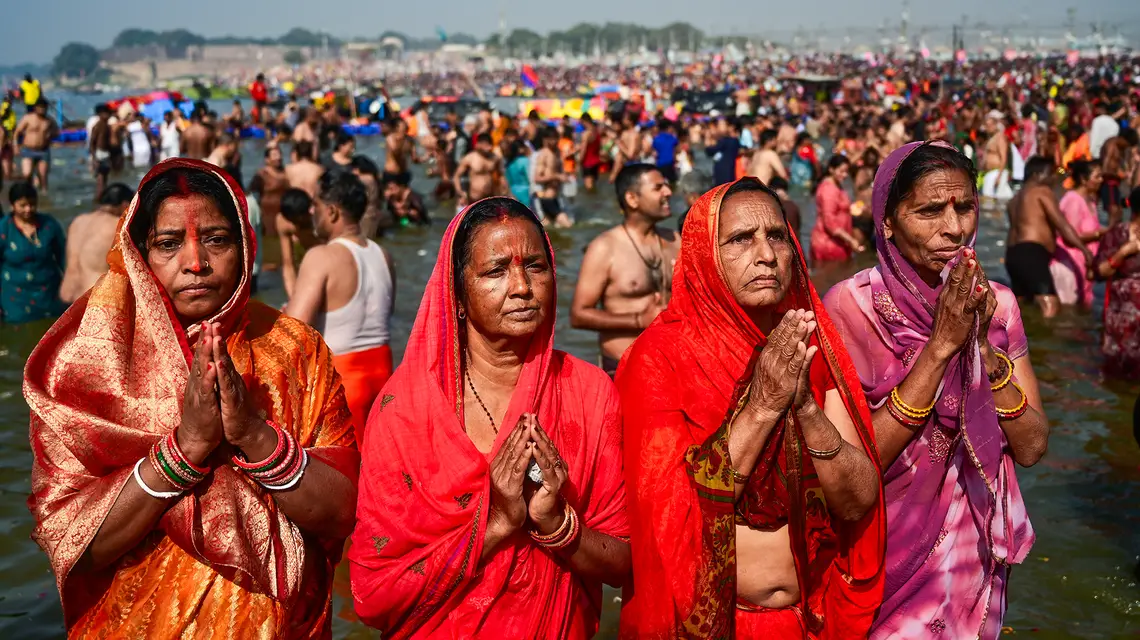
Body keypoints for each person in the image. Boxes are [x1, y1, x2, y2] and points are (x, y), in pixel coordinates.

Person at [25, 159, 359, 637]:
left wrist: (255, 436)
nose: (195, 262)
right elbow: (73, 546)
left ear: (244, 247)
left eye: (217, 240)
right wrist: (184, 451)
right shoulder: (85, 363)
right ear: (139, 253)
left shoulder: (295, 348)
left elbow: (343, 512)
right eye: (168, 243)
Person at [348, 197, 630, 637]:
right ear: (457, 296)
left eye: (535, 266)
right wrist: (496, 524)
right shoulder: (404, 408)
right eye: (496, 271)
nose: (521, 286)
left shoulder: (590, 392)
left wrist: (555, 523)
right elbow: (372, 591)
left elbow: (624, 560)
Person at [618, 177, 885, 638]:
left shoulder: (809, 341)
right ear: (705, 255)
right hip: (718, 624)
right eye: (742, 239)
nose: (766, 254)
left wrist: (805, 408)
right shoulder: (659, 356)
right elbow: (671, 516)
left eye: (777, 236)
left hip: (812, 619)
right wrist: (763, 405)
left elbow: (859, 500)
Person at [825, 140, 1046, 638]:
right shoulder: (851, 308)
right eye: (929, 211)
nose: (954, 228)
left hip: (971, 552)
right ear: (887, 221)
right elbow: (857, 465)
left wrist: (986, 355)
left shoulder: (998, 305)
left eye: (964, 207)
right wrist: (943, 344)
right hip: (884, 542)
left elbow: (1031, 447)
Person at [287, 171, 395, 434]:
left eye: (317, 206)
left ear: (333, 212)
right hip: (385, 378)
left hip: (343, 383)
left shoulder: (321, 256)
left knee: (340, 470)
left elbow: (292, 332)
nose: (312, 211)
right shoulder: (383, 255)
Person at [571, 164, 678, 378]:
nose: (668, 192)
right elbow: (578, 315)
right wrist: (639, 320)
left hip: (672, 364)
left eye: (666, 185)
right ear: (632, 199)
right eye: (658, 188)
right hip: (622, 367)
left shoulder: (676, 240)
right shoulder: (605, 247)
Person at [1005, 156, 1094, 318]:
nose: (1055, 179)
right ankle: (1045, 343)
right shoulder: (1042, 192)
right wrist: (1084, 250)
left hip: (1012, 254)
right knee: (1050, 306)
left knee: (1023, 305)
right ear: (1037, 175)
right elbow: (1063, 226)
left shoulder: (1013, 200)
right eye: (1051, 173)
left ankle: (1020, 340)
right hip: (1032, 253)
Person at [1, 182, 66, 323]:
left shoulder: (49, 225)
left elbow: (64, 257)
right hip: (16, 300)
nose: (28, 209)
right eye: (22, 205)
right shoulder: (3, 229)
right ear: (12, 205)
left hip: (49, 294)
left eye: (32, 204)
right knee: (19, 340)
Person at [60, 183, 134, 304]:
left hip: (68, 296)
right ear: (126, 205)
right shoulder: (118, 225)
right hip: (94, 299)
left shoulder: (78, 221)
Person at [1094, 186, 1140, 379]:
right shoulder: (1117, 235)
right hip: (1122, 317)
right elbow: (1100, 272)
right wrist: (1124, 253)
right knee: (1118, 373)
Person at [1050, 160, 1105, 307]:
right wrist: (1100, 233)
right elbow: (1070, 236)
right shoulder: (1073, 200)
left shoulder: (1091, 202)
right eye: (1097, 176)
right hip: (1069, 265)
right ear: (1083, 179)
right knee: (1068, 314)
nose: (1101, 180)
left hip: (1084, 265)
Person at [811, 155, 864, 264]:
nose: (844, 175)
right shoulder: (829, 190)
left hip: (838, 241)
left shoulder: (836, 185)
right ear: (831, 169)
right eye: (841, 171)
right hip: (829, 244)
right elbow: (830, 223)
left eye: (846, 172)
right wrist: (851, 240)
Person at [277, 188, 320, 298]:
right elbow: (288, 264)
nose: (296, 225)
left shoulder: (320, 221)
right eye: (293, 221)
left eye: (300, 220)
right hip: (304, 259)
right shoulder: (283, 221)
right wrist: (293, 298)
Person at [13, 99, 57, 193]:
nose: (42, 110)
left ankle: (44, 195)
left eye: (44, 108)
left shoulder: (49, 120)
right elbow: (17, 132)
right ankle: (28, 191)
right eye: (40, 108)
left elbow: (56, 132)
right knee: (27, 173)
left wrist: (50, 135)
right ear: (36, 108)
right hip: (28, 150)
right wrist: (16, 146)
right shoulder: (28, 118)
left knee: (43, 175)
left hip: (43, 151)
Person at [247, 146, 291, 239]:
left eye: (279, 154)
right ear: (267, 159)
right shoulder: (262, 175)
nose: (278, 157)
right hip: (267, 217)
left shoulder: (286, 173)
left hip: (284, 215)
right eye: (274, 155)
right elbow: (250, 196)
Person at [1099, 128, 1139, 226]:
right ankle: (1109, 235)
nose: (1127, 147)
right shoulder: (1111, 146)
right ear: (1122, 139)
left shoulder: (1119, 147)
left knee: (1119, 210)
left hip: (1115, 184)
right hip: (1109, 184)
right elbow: (1104, 170)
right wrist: (1121, 176)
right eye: (1127, 144)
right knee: (1113, 210)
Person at [533, 127, 572, 227]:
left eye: (556, 138)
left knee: (549, 232)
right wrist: (557, 177)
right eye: (551, 139)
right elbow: (537, 178)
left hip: (557, 196)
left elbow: (559, 171)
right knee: (568, 226)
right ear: (545, 140)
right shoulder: (544, 155)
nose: (554, 141)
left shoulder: (557, 152)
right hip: (547, 198)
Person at [455, 133, 504, 210]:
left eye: (488, 144)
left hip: (490, 198)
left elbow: (501, 175)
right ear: (478, 144)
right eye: (484, 144)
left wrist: (504, 192)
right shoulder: (470, 158)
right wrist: (461, 192)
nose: (486, 146)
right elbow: (457, 176)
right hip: (473, 199)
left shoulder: (495, 158)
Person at [351, 155, 391, 237]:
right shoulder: (374, 177)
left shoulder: (363, 179)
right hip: (376, 213)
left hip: (366, 216)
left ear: (357, 168)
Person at [981, 111, 1012, 204]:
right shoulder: (991, 138)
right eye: (986, 125)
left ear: (995, 125)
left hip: (997, 172)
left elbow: (1004, 157)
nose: (987, 127)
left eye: (989, 125)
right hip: (990, 173)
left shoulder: (1000, 137)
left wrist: (999, 176)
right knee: (988, 200)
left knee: (994, 201)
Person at [705, 117, 742, 187]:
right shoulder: (725, 141)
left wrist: (707, 138)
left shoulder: (729, 141)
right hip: (722, 177)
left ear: (730, 127)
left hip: (725, 177)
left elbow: (709, 151)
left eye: (721, 125)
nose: (717, 128)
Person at [89, 104, 114, 202]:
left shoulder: (106, 126)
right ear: (100, 114)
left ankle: (103, 198)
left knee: (105, 178)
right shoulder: (98, 126)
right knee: (100, 179)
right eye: (106, 114)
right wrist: (94, 158)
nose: (108, 116)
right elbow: (92, 143)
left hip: (105, 153)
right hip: (99, 153)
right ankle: (98, 199)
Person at [505, 138, 533, 204]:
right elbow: (530, 177)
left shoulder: (509, 163)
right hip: (526, 193)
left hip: (513, 192)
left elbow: (508, 181)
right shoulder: (525, 160)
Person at [579, 113, 603, 191]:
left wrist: (579, 161)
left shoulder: (586, 134)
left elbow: (583, 150)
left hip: (587, 163)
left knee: (589, 189)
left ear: (584, 121)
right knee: (594, 187)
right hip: (596, 162)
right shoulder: (597, 131)